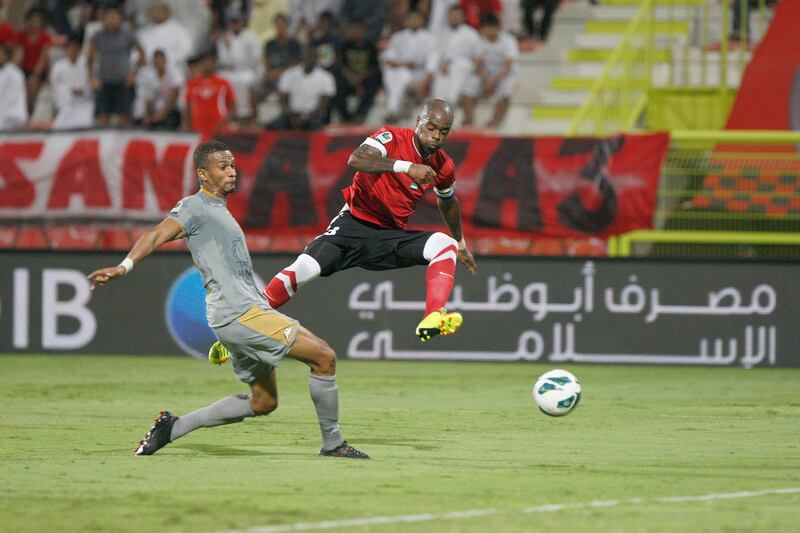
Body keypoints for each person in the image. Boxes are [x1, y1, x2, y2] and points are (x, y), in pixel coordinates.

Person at [87, 140, 369, 460]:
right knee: (324, 357)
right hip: (239, 314)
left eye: (233, 166)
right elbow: (156, 235)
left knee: (263, 402)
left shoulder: (220, 212)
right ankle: (333, 444)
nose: (232, 172)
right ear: (203, 175)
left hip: (242, 313)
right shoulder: (194, 206)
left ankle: (173, 427)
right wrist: (124, 266)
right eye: (223, 167)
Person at [263, 99, 478, 342]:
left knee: (444, 244)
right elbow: (357, 159)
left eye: (443, 131)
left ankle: (433, 316)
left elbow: (447, 201)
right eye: (431, 128)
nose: (436, 136)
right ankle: (248, 320)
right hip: (352, 226)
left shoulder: (443, 165)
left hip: (388, 238)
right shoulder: (391, 137)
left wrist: (460, 242)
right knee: (305, 269)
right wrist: (406, 167)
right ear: (419, 122)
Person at [87, 6, 146, 127]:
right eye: (110, 17)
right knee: (103, 116)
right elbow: (90, 59)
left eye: (115, 17)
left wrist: (134, 73)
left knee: (125, 116)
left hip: (124, 81)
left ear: (120, 19)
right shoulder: (98, 36)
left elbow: (143, 54)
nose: (112, 20)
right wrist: (92, 78)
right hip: (104, 81)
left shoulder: (128, 34)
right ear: (104, 19)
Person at [461, 12, 518, 128]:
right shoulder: (480, 41)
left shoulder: (509, 41)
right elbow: (479, 63)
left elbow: (509, 65)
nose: (487, 31)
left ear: (497, 28)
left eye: (490, 28)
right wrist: (486, 78)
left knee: (506, 91)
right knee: (467, 87)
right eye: (485, 28)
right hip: (486, 74)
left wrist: (493, 80)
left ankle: (494, 121)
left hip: (504, 73)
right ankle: (469, 119)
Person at [380, 10, 435, 123]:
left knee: (400, 75)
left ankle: (393, 110)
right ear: (406, 21)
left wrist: (426, 82)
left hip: (419, 74)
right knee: (396, 73)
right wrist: (404, 64)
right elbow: (388, 58)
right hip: (400, 73)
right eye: (411, 18)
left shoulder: (429, 38)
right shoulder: (398, 37)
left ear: (422, 21)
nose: (413, 21)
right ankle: (394, 110)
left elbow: (432, 61)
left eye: (416, 18)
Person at [268, 46, 335, 131]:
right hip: (291, 115)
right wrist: (291, 116)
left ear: (317, 58)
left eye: (312, 56)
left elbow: (323, 105)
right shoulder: (289, 74)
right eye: (307, 55)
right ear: (302, 56)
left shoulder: (326, 77)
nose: (310, 58)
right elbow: (283, 100)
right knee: (271, 127)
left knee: (317, 127)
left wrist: (305, 117)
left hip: (313, 116)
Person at [332, 20, 381, 124]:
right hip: (348, 78)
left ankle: (359, 115)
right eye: (354, 29)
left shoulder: (370, 46)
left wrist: (360, 78)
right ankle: (345, 117)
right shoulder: (345, 45)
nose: (356, 32)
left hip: (364, 79)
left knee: (374, 81)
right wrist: (351, 77)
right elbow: (341, 65)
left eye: (358, 29)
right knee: (337, 82)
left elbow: (374, 67)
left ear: (364, 31)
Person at [184, 51, 236, 138]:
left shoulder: (223, 83)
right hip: (198, 128)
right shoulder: (192, 83)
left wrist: (224, 122)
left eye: (210, 62)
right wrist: (187, 125)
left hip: (218, 128)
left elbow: (233, 106)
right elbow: (188, 106)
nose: (207, 65)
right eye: (205, 62)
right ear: (200, 64)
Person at [49, 36, 94, 130]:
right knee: (59, 126)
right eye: (70, 48)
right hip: (66, 105)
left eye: (75, 48)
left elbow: (92, 83)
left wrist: (84, 91)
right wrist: (68, 94)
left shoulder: (87, 64)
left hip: (85, 104)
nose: (73, 51)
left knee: (87, 124)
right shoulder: (58, 67)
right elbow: (55, 87)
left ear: (79, 50)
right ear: (65, 50)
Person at [0, 43, 28, 131]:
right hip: (12, 113)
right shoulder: (14, 72)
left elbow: (10, 96)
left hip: (10, 114)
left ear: (5, 55)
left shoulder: (11, 73)